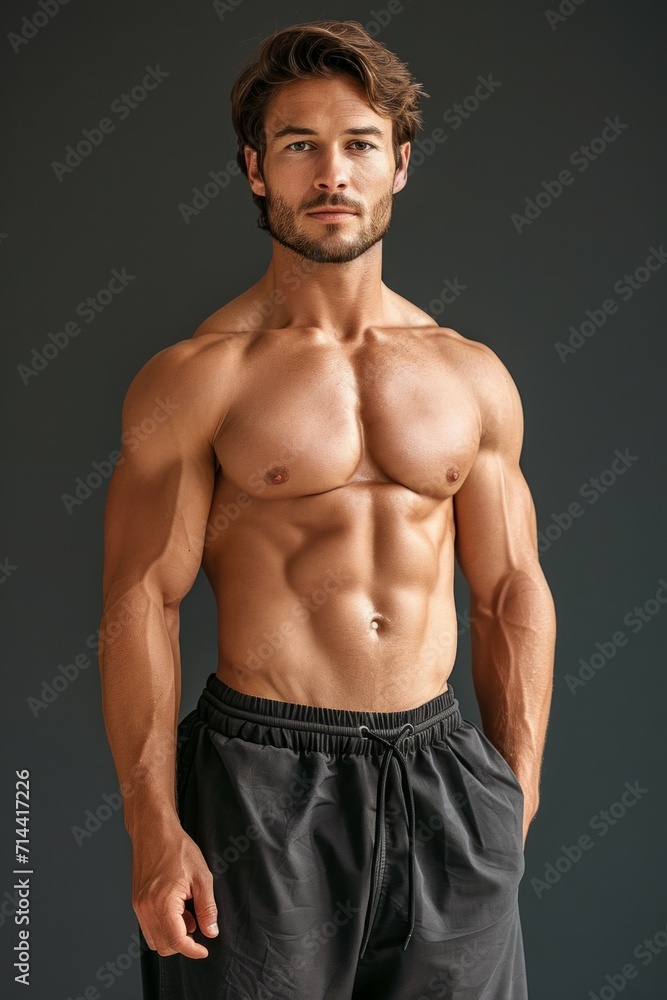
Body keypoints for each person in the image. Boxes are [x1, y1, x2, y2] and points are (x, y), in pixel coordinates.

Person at [99, 19, 556, 1000]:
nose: (331, 172)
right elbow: (142, 597)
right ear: (256, 170)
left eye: (357, 144)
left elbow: (510, 586)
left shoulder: (470, 375)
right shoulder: (199, 378)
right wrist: (153, 829)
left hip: (440, 774)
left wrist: (509, 793)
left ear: (399, 165)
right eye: (299, 145)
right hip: (262, 781)